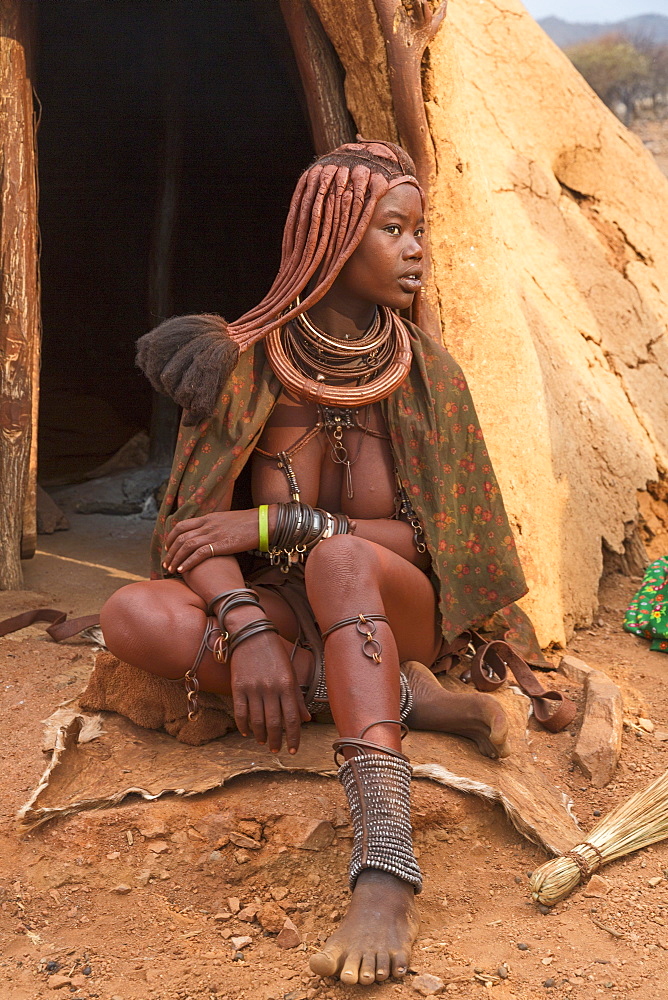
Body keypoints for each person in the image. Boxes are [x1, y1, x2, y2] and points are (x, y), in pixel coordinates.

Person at [100, 140, 528, 986]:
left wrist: (277, 522)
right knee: (131, 615)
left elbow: (447, 550)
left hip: (393, 604)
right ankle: (404, 697)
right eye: (393, 229)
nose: (416, 250)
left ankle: (384, 867)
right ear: (333, 236)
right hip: (288, 608)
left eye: (420, 230)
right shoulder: (245, 366)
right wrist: (247, 624)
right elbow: (192, 533)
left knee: (337, 559)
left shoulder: (425, 376)